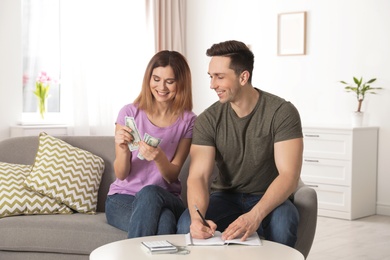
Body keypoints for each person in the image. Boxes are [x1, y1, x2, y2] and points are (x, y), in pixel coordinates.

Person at [176, 40, 303, 247]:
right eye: (211, 77)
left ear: (243, 77)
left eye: (219, 77)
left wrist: (255, 215)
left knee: (283, 222)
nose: (212, 85)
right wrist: (197, 217)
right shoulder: (208, 120)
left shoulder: (281, 112)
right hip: (225, 197)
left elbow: (289, 175)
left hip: (268, 197)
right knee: (185, 224)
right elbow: (199, 175)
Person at [106, 50, 196, 238]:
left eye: (169, 81)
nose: (161, 87)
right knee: (165, 222)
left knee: (149, 192)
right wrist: (123, 150)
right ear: (148, 79)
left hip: (166, 197)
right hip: (123, 198)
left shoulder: (188, 121)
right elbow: (121, 174)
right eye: (156, 79)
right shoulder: (129, 113)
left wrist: (159, 157)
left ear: (181, 83)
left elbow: (172, 176)